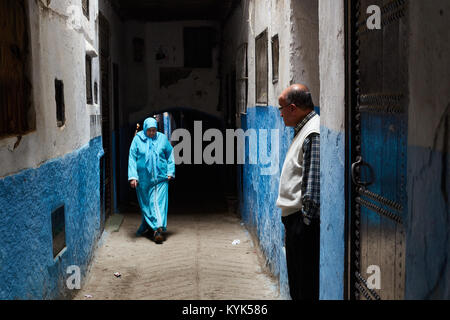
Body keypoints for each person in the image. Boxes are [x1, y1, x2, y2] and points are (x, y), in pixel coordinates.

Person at [276, 84, 320, 300]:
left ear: (293, 108)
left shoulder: (313, 132)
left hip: (302, 224)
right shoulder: (303, 129)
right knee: (297, 281)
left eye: (281, 108)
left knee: (304, 283)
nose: (280, 113)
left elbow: (312, 184)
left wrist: (305, 223)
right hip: (294, 221)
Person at [128, 117, 175, 244]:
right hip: (143, 180)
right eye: (149, 131)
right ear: (144, 129)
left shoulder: (162, 138)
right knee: (146, 204)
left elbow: (170, 154)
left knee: (157, 203)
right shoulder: (137, 139)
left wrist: (170, 171)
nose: (152, 133)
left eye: (154, 130)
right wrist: (133, 176)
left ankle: (157, 229)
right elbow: (132, 157)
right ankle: (148, 225)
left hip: (161, 178)